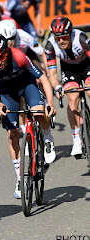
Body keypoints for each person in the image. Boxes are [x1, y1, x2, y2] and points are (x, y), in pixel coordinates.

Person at [0, 33, 56, 198]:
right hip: (7, 93)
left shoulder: (19, 56)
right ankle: (20, 178)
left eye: (2, 56)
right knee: (12, 134)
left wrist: (50, 102)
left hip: (27, 85)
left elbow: (42, 78)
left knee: (38, 112)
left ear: (7, 51)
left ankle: (48, 136)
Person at [46, 16, 90, 157]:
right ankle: (76, 139)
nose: (61, 41)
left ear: (70, 34)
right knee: (72, 98)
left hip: (86, 65)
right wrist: (57, 87)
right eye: (58, 38)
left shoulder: (81, 38)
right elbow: (52, 74)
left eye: (64, 37)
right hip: (69, 69)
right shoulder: (50, 45)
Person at [0, 19, 49, 135]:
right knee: (18, 97)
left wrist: (47, 73)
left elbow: (42, 53)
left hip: (28, 57)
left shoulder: (24, 36)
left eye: (12, 38)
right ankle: (23, 125)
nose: (10, 42)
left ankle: (44, 101)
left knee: (40, 78)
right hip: (11, 63)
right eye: (7, 40)